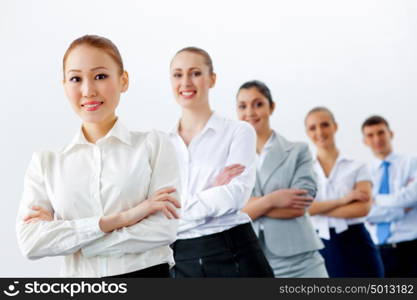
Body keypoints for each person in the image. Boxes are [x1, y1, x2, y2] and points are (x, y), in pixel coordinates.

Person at [16, 35, 181, 278]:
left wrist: (74, 240)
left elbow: (163, 229)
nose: (88, 90)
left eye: (100, 76)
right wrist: (125, 217)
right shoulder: (47, 163)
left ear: (123, 80)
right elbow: (30, 242)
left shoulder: (154, 145)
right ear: (64, 86)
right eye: (76, 79)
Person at [168, 47, 273, 277]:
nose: (185, 82)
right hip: (180, 259)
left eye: (195, 73)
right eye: (178, 74)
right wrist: (211, 191)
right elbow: (153, 213)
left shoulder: (238, 132)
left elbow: (235, 195)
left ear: (211, 79)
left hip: (234, 251)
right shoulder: (161, 145)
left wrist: (177, 213)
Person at [236, 80, 327, 278]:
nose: (250, 112)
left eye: (258, 104)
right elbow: (231, 212)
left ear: (272, 107)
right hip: (251, 260)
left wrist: (250, 205)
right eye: (243, 106)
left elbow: (298, 205)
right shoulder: (230, 158)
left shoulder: (298, 151)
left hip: (300, 261)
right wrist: (272, 199)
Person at [305, 107, 384, 277]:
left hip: (356, 242)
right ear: (307, 132)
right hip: (320, 245)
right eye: (313, 127)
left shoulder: (357, 166)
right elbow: (303, 209)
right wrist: (344, 200)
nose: (319, 131)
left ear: (335, 126)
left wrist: (318, 208)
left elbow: (362, 209)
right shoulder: (303, 171)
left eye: (325, 124)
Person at [362, 115, 417, 277]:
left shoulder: (411, 162)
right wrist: (400, 210)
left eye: (381, 132)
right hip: (377, 251)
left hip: (410, 249)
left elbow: (410, 197)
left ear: (390, 134)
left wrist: (376, 199)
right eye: (370, 135)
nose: (377, 139)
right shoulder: (362, 172)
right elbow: (365, 212)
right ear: (364, 141)